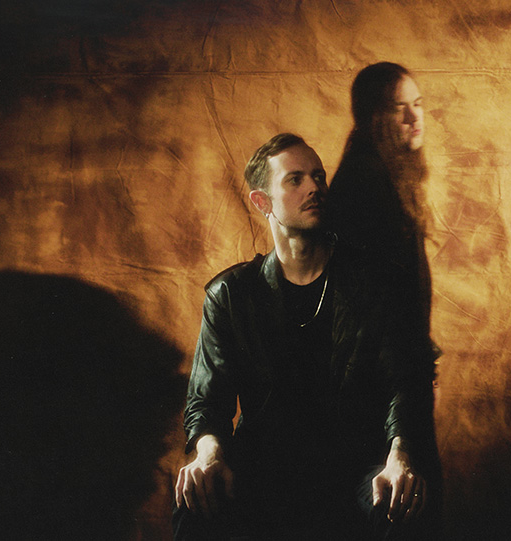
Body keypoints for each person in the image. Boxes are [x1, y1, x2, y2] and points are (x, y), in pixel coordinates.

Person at [172, 133, 439, 539]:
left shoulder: (376, 283)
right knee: (196, 500)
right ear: (262, 202)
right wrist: (208, 454)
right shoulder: (231, 295)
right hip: (264, 470)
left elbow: (404, 384)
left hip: (354, 467)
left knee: (401, 504)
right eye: (295, 179)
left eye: (318, 176)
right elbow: (207, 401)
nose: (314, 187)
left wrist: (399, 456)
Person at [327, 62, 433, 340]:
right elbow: (373, 299)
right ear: (374, 116)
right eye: (399, 108)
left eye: (418, 104)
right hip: (380, 358)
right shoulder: (365, 179)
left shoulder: (387, 170)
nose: (414, 117)